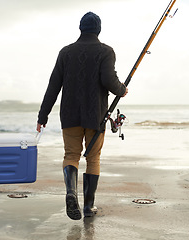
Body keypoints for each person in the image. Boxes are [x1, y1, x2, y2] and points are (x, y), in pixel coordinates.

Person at [37, 12, 128, 220]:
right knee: (93, 158)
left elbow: (53, 86)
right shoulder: (106, 51)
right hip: (95, 116)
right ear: (99, 30)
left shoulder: (65, 52)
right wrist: (121, 90)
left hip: (69, 115)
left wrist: (42, 116)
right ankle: (88, 206)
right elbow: (109, 80)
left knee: (71, 156)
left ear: (80, 28)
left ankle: (71, 193)